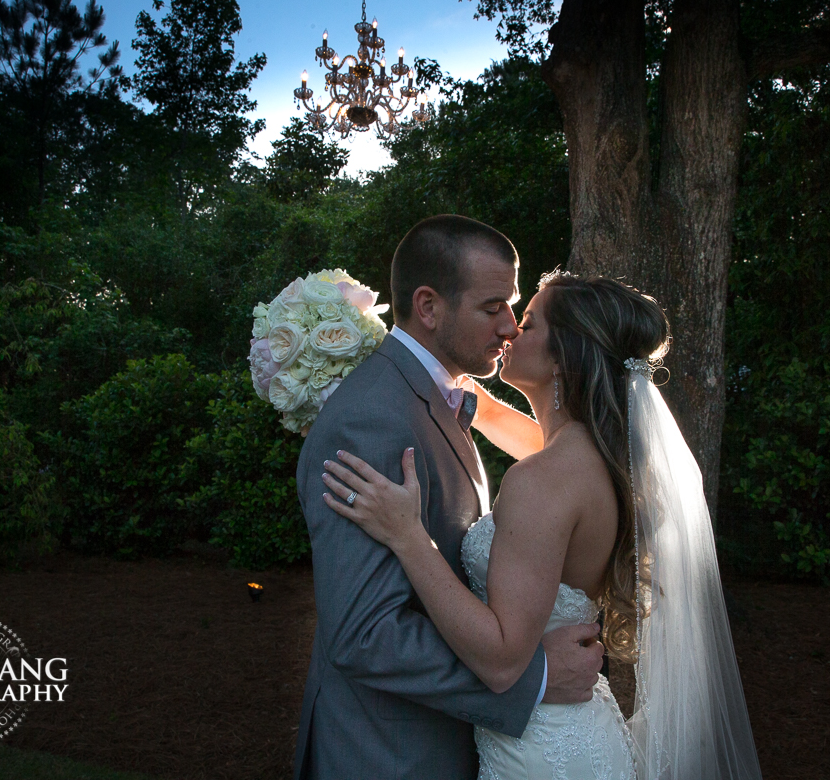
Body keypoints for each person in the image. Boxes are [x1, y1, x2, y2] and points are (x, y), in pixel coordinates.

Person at [323, 272, 765, 779]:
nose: (510, 331)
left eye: (529, 323)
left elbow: (501, 657)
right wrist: (478, 406)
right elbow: (535, 442)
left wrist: (408, 536)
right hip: (578, 729)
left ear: (562, 357)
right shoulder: (597, 460)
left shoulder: (543, 480)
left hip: (540, 751)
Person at [292, 215, 605, 780]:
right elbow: (365, 635)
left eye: (516, 310)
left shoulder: (437, 396)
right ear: (430, 307)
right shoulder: (371, 420)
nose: (510, 327)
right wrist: (533, 678)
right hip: (388, 757)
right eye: (494, 308)